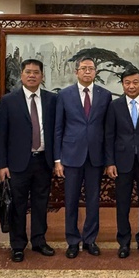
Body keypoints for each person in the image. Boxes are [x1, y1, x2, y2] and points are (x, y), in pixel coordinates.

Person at [0, 59, 57, 263]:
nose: (32, 75)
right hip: (17, 163)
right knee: (17, 205)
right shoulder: (8, 100)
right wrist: (2, 164)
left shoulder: (51, 99)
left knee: (41, 203)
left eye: (36, 72)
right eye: (28, 72)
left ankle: (39, 241)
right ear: (21, 75)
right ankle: (18, 245)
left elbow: (56, 131)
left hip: (43, 160)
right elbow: (1, 134)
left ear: (42, 76)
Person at [54, 57, 112, 258]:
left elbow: (108, 130)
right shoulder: (64, 95)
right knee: (71, 200)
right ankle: (72, 240)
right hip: (71, 156)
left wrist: (108, 159)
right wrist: (57, 159)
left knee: (93, 201)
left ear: (96, 72)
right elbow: (58, 128)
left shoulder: (105, 95)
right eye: (83, 68)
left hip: (95, 157)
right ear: (76, 71)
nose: (87, 71)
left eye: (91, 68)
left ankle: (90, 239)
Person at [104, 66, 139, 258]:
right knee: (122, 203)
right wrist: (110, 162)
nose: (131, 86)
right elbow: (109, 135)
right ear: (122, 84)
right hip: (121, 162)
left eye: (135, 82)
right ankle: (124, 242)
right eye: (127, 83)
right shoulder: (114, 106)